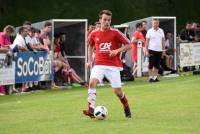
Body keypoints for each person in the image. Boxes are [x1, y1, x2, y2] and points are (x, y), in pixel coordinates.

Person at [83, 9, 132, 118]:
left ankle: (126, 105)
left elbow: (129, 45)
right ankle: (91, 109)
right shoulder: (94, 33)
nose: (107, 22)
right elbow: (90, 46)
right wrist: (90, 60)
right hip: (99, 64)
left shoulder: (115, 33)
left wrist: (117, 51)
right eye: (105, 20)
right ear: (100, 20)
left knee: (118, 92)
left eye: (109, 20)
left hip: (113, 66)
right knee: (92, 82)